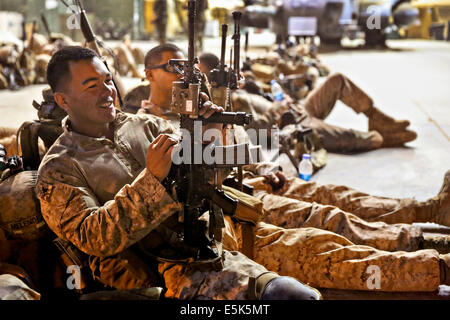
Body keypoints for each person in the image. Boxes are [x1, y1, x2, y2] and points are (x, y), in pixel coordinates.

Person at [137, 43, 450, 292]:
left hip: (241, 188)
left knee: (331, 206)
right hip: (220, 212)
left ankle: (428, 217)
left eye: (185, 66)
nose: (181, 74)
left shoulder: (201, 106)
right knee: (325, 233)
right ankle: (427, 245)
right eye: (171, 67)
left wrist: (236, 141)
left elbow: (235, 148)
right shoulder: (143, 126)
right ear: (148, 74)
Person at [35, 46, 322, 300]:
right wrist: (152, 179)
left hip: (211, 238)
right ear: (63, 101)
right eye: (91, 85)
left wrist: (208, 131)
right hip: (165, 270)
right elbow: (95, 237)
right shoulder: (58, 169)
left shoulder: (145, 126)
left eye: (108, 80)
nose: (107, 91)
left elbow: (208, 174)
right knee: (286, 295)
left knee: (307, 272)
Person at [197, 52, 417, 153]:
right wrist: (276, 110)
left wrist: (279, 97)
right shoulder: (216, 106)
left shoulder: (233, 90)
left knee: (337, 80)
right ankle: (381, 137)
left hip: (297, 109)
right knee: (352, 139)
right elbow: (253, 133)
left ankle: (376, 117)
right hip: (291, 126)